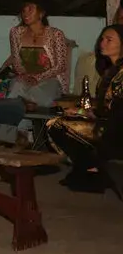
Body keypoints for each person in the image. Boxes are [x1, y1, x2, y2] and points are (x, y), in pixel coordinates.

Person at [46, 25, 123, 193]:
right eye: (102, 39)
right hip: (106, 122)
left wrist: (90, 115)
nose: (103, 43)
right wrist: (82, 111)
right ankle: (89, 168)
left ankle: (92, 168)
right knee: (58, 121)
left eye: (109, 40)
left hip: (115, 129)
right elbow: (105, 106)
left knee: (58, 126)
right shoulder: (110, 71)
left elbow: (116, 110)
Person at [2, 1, 70, 110]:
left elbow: (61, 66)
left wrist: (37, 78)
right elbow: (16, 60)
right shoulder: (16, 33)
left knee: (41, 96)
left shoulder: (55, 34)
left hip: (49, 79)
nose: (26, 13)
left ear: (41, 13)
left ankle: (25, 103)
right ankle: (22, 106)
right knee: (16, 87)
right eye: (23, 11)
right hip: (25, 78)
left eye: (30, 9)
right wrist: (25, 75)